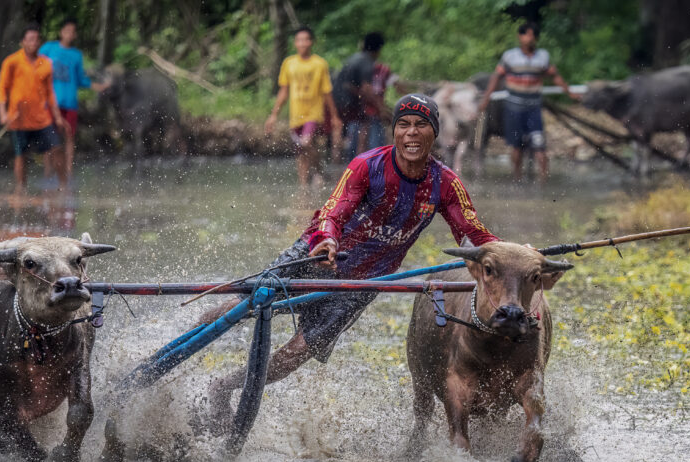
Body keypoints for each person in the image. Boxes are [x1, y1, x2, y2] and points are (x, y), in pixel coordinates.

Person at [202, 94, 513, 431]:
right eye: (404, 125)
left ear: (433, 134)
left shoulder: (446, 184)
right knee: (245, 303)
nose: (411, 133)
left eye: (421, 125)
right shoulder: (367, 165)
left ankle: (224, 387)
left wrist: (510, 255)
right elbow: (334, 211)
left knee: (295, 354)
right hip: (318, 254)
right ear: (394, 132)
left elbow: (473, 234)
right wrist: (327, 241)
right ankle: (186, 335)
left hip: (361, 282)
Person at [479, 22, 578, 182]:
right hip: (514, 108)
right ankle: (518, 178)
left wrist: (569, 92)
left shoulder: (542, 57)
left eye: (533, 35)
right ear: (520, 36)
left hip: (533, 109)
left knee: (540, 146)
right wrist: (486, 99)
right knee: (516, 146)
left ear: (536, 38)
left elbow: (555, 76)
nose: (530, 39)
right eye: (527, 35)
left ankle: (543, 183)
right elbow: (496, 77)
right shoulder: (510, 56)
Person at [266, 26, 342, 189]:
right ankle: (303, 188)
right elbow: (284, 91)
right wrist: (273, 115)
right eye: (299, 40)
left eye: (306, 40)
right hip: (296, 114)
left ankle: (320, 171)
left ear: (311, 42)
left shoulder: (320, 64)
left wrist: (335, 116)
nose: (302, 43)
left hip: (314, 113)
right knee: (300, 152)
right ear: (295, 43)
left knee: (306, 142)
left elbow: (327, 92)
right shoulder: (289, 63)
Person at [0, 25, 69, 195]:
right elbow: (2, 88)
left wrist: (57, 116)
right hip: (18, 118)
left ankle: (64, 186)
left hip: (41, 118)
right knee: (21, 154)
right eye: (30, 39)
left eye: (36, 40)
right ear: (22, 42)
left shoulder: (46, 63)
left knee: (57, 148)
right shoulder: (11, 62)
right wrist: (3, 113)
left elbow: (50, 93)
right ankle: (21, 188)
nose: (33, 43)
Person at [39, 18, 109, 179]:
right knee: (49, 137)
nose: (70, 34)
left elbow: (80, 79)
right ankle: (48, 172)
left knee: (69, 136)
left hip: (70, 102)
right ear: (61, 32)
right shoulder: (48, 48)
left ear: (75, 35)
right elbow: (36, 67)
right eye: (67, 30)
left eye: (73, 32)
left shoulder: (76, 55)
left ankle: (68, 171)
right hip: (51, 102)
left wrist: (98, 86)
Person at [333, 32, 392, 158]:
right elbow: (366, 89)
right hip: (348, 102)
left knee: (351, 128)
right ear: (378, 49)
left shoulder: (354, 58)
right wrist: (381, 108)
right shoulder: (367, 61)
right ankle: (361, 159)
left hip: (337, 100)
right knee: (365, 123)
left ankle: (342, 158)